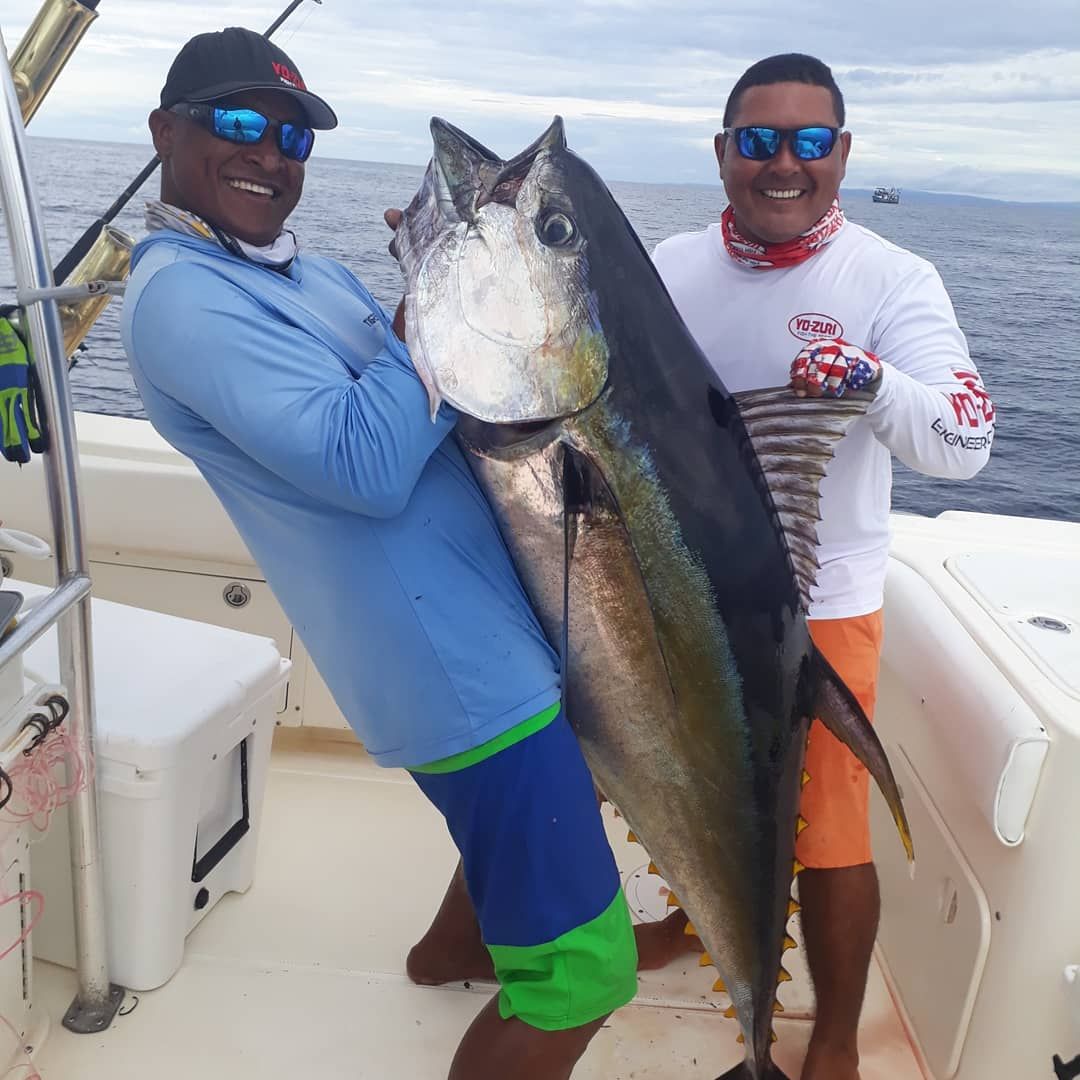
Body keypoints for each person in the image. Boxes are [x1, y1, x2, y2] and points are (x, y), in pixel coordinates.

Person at [119, 27, 637, 1080]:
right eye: (236, 124)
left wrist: (433, 278)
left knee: (543, 815)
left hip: (490, 628)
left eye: (293, 136)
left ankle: (452, 948)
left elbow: (442, 390)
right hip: (454, 671)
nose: (270, 154)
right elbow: (363, 462)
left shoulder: (293, 275)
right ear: (164, 132)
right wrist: (452, 303)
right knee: (586, 978)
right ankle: (519, 943)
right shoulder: (183, 296)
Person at [646, 53, 995, 1080]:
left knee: (831, 830)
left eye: (809, 142)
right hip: (683, 586)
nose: (783, 163)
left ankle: (832, 1033)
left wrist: (873, 381)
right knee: (692, 778)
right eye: (758, 142)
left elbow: (967, 441)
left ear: (843, 154)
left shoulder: (891, 280)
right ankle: (685, 916)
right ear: (723, 154)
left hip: (820, 607)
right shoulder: (667, 264)